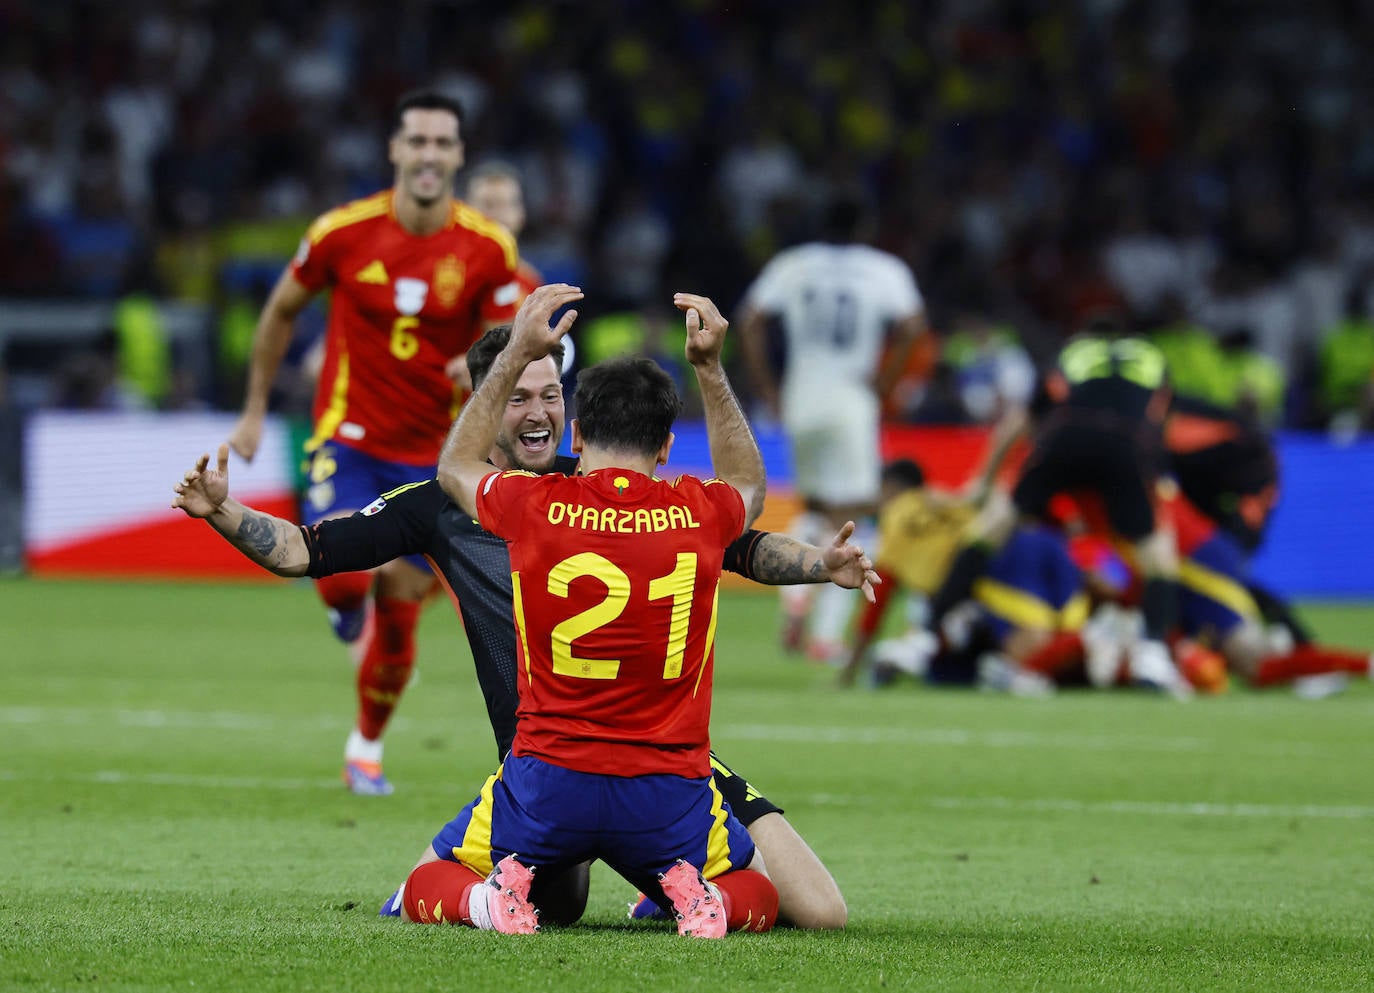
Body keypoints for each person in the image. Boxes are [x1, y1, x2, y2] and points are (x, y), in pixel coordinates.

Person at [173, 315, 871, 929]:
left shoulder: (592, 482)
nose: (536, 411)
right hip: (544, 762)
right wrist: (226, 513)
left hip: (640, 757)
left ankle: (665, 890)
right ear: (483, 405)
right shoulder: (438, 507)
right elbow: (304, 549)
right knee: (560, 904)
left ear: (570, 413)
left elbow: (741, 547)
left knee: (818, 910)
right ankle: (676, 889)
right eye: (516, 396)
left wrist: (819, 563)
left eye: (549, 393)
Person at [387, 282, 771, 936]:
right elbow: (749, 485)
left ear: (581, 430)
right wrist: (709, 366)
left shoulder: (531, 505)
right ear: (668, 446)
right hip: (666, 790)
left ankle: (490, 903)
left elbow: (456, 464)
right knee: (758, 890)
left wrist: (514, 355)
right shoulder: (699, 510)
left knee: (421, 885)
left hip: (546, 782)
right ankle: (699, 899)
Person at [224, 89, 525, 795]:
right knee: (343, 568)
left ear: (457, 155)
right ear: (395, 149)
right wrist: (253, 408)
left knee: (400, 608)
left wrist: (480, 360)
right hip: (350, 441)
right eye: (416, 141)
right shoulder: (340, 232)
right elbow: (280, 311)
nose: (428, 155)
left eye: (442, 143)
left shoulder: (487, 248)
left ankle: (364, 747)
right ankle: (341, 608)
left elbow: (515, 348)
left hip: (438, 457)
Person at [922, 315, 1190, 697]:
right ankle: (1153, 653)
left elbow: (1022, 419)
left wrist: (982, 481)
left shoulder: (1073, 352)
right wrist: (1161, 475)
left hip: (1065, 436)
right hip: (1127, 443)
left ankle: (928, 633)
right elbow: (1159, 422)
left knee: (992, 525)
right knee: (1159, 553)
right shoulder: (1152, 357)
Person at [738, 191, 927, 663]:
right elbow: (912, 327)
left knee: (818, 508)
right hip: (850, 399)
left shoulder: (794, 264)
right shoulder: (884, 269)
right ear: (864, 229)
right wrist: (885, 383)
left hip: (802, 396)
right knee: (860, 515)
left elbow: (750, 319)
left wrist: (769, 389)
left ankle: (797, 598)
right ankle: (825, 637)